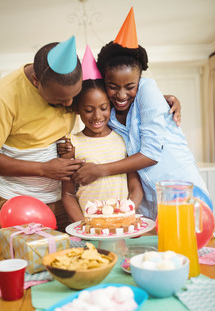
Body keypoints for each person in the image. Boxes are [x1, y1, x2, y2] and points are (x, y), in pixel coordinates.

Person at [69, 8, 212, 220]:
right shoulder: (107, 110)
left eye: (130, 86)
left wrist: (100, 170)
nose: (121, 94)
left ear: (139, 80)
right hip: (150, 201)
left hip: (181, 190)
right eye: (112, 86)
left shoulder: (148, 89)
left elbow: (151, 154)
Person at [0, 36, 85, 238]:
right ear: (36, 81)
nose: (70, 104)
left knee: (71, 260)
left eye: (74, 95)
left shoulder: (71, 89)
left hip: (64, 200)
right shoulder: (4, 96)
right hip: (17, 200)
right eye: (60, 100)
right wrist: (43, 169)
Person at [62, 45, 144, 222]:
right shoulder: (72, 143)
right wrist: (84, 225)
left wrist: (126, 215)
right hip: (90, 226)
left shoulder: (123, 139)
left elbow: (135, 187)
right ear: (77, 109)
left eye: (104, 108)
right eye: (89, 110)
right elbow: (68, 193)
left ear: (111, 105)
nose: (97, 116)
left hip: (122, 223)